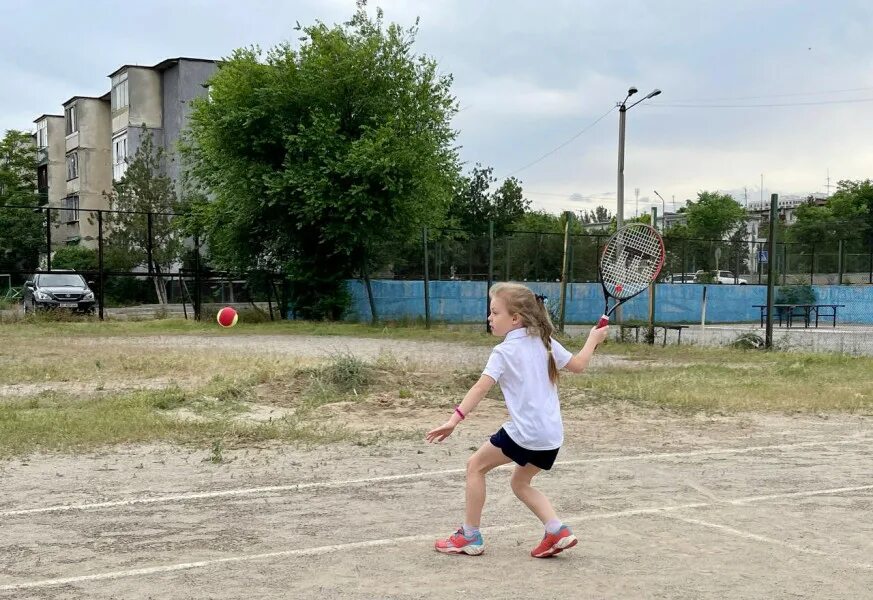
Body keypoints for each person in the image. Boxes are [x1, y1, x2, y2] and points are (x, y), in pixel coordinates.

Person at [426, 282, 609, 558]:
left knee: (475, 466)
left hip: (525, 433)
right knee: (520, 484)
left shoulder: (503, 352)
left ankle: (470, 536)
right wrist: (592, 340)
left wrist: (454, 420)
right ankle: (556, 529)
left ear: (515, 318)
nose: (489, 318)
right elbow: (580, 365)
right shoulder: (545, 342)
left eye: (495, 312)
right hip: (551, 437)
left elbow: (480, 388)